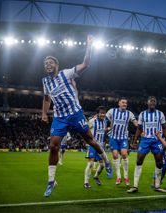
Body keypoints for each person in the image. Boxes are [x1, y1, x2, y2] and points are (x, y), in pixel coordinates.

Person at [41, 35, 112, 197]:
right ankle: (51, 181)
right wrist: (44, 113)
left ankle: (106, 160)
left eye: (51, 63)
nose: (48, 65)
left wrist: (89, 46)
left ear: (57, 65)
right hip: (60, 117)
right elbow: (46, 98)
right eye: (46, 64)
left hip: (75, 113)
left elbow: (86, 64)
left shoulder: (66, 74)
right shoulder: (45, 82)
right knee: (53, 146)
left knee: (90, 140)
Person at [127, 96, 166, 193]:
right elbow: (139, 128)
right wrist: (134, 141)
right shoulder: (142, 114)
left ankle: (157, 186)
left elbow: (164, 128)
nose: (153, 103)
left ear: (156, 103)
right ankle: (135, 186)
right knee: (139, 160)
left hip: (157, 140)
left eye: (154, 101)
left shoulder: (160, 114)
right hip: (145, 140)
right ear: (148, 103)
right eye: (151, 101)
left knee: (159, 162)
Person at [106, 98, 137, 185]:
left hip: (123, 137)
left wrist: (140, 126)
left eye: (126, 103)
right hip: (113, 137)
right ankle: (118, 177)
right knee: (115, 156)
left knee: (124, 154)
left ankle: (126, 177)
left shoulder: (129, 113)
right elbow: (105, 119)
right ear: (119, 103)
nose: (124, 104)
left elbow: (135, 122)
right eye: (123, 102)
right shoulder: (112, 111)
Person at [84, 106, 109, 188]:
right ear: (97, 113)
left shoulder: (105, 121)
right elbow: (86, 130)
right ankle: (86, 182)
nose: (103, 114)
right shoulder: (92, 121)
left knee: (102, 165)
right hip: (92, 145)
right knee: (90, 163)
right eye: (101, 113)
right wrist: (87, 141)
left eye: (104, 113)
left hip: (101, 146)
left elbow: (103, 131)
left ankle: (96, 176)